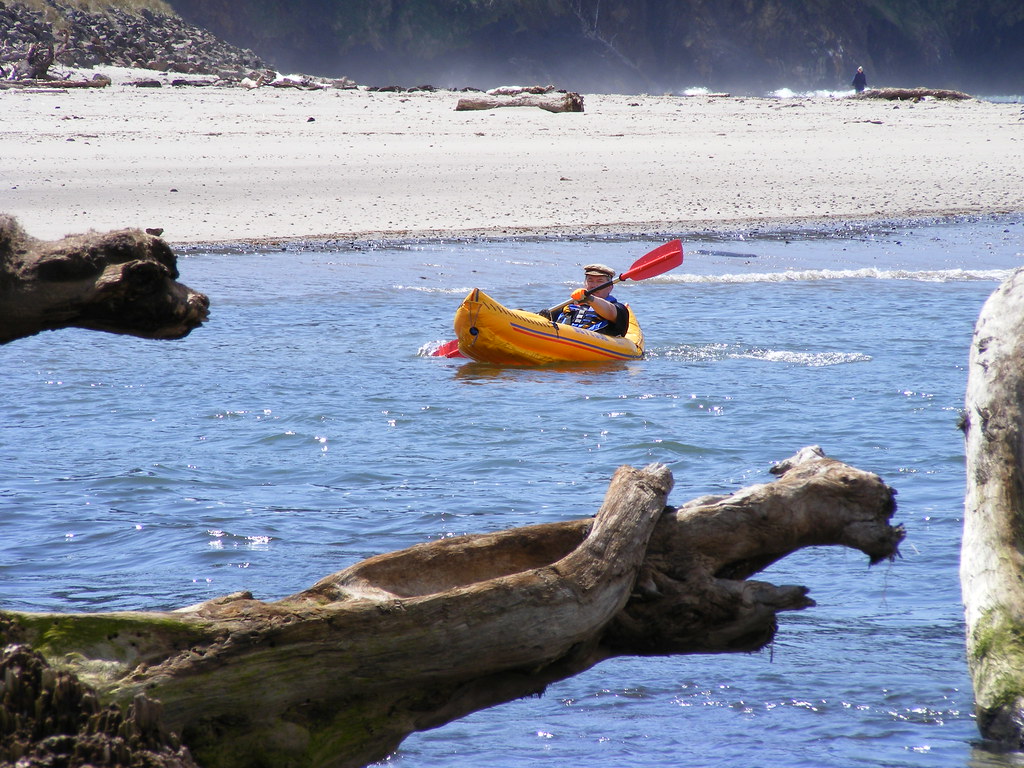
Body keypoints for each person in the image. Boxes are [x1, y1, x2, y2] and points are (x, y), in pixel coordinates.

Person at [538, 263, 630, 336]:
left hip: (596, 345)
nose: (594, 285)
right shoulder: (568, 305)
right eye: (590, 280)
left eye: (600, 281)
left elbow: (610, 311)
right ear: (585, 283)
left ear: (610, 287)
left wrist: (590, 299)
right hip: (563, 338)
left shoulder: (619, 309)